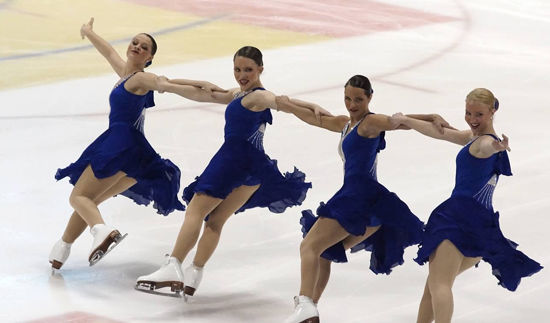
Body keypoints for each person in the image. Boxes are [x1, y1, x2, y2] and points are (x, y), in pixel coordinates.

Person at [135, 46, 312, 297]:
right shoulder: (239, 94)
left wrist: (314, 108)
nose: (242, 75)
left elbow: (282, 102)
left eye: (248, 70)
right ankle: (195, 273)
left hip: (232, 160)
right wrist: (169, 84)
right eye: (237, 69)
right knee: (216, 220)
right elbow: (205, 94)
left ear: (260, 69)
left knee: (195, 210)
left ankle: (173, 266)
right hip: (254, 168)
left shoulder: (258, 96)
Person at [49, 18, 222, 270]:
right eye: (135, 43)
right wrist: (89, 32)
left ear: (149, 58)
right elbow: (109, 51)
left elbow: (165, 84)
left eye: (144, 47)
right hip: (136, 152)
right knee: (91, 201)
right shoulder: (127, 75)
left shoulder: (140, 79)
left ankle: (102, 231)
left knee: (79, 196)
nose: (138, 47)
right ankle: (62, 248)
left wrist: (201, 86)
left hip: (120, 143)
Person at [276, 75, 448, 323]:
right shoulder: (347, 124)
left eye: (358, 99)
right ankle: (310, 310)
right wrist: (288, 105)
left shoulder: (370, 122)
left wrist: (430, 116)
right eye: (347, 98)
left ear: (369, 97)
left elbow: (397, 122)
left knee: (309, 247)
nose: (352, 104)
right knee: (324, 251)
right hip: (363, 197)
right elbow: (318, 118)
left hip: (359, 196)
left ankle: (304, 303)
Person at [389, 88, 543, 323]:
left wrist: (497, 147)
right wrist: (405, 120)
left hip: (458, 220)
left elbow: (486, 149)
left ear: (492, 111)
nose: (472, 120)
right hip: (481, 226)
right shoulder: (474, 137)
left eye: (478, 114)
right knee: (434, 285)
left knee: (439, 284)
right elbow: (441, 133)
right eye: (468, 113)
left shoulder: (485, 143)